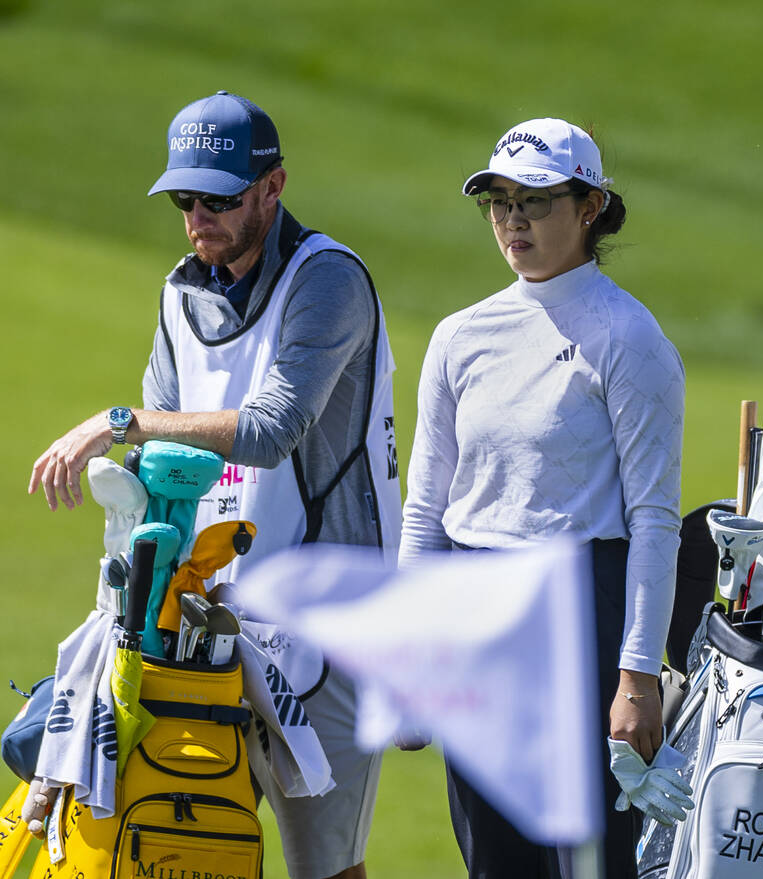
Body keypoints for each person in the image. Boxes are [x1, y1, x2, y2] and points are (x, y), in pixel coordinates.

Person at [28, 90, 402, 879]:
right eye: (185, 200)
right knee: (176, 844)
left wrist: (119, 421)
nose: (199, 217)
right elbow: (159, 460)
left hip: (329, 622)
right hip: (204, 618)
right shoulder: (181, 291)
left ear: (274, 187)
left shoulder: (328, 279)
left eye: (221, 199)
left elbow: (268, 430)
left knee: (327, 871)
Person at [398, 117, 685, 878]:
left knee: (589, 860)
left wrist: (637, 676)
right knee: (493, 857)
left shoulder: (629, 335)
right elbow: (427, 507)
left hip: (578, 611)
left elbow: (656, 518)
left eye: (535, 200)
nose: (512, 219)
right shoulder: (460, 336)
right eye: (498, 201)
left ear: (589, 206)